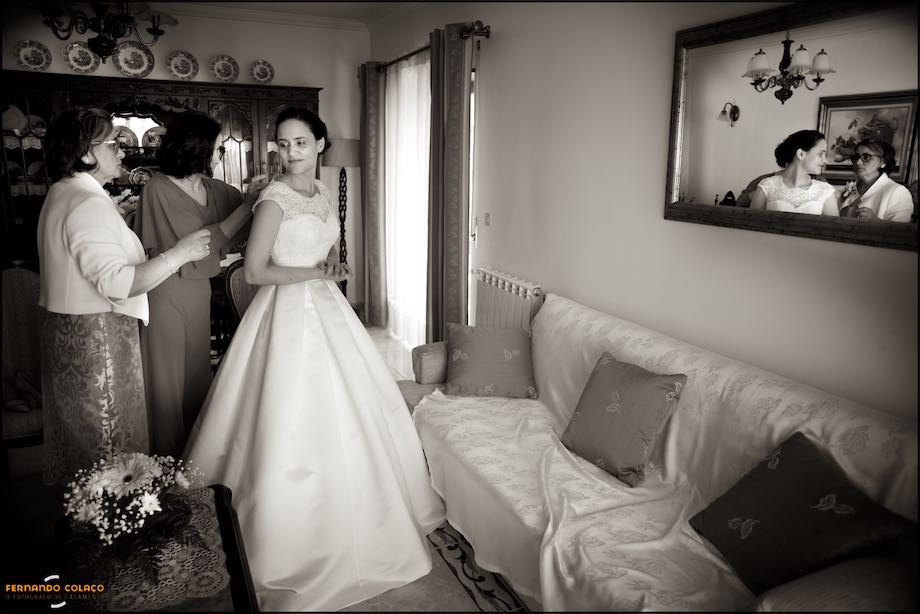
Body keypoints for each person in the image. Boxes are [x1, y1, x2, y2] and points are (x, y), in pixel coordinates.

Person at [184, 107, 445, 611]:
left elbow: (320, 250)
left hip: (327, 309)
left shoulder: (323, 192)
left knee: (355, 407)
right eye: (283, 144)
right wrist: (315, 275)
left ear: (320, 144)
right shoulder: (272, 199)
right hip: (286, 314)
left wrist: (329, 264)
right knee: (287, 416)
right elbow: (255, 272)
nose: (290, 153)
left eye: (300, 143)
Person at [37, 108, 211, 484]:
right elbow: (118, 283)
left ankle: (94, 513)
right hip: (97, 341)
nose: (121, 150)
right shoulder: (87, 204)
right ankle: (120, 516)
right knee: (109, 448)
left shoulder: (62, 192)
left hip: (68, 335)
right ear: (87, 152)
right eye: (112, 143)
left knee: (85, 450)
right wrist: (180, 254)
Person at [133, 111, 268, 458]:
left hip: (198, 292)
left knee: (196, 376)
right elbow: (202, 242)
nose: (221, 154)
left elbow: (249, 216)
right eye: (218, 148)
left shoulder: (214, 188)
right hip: (165, 292)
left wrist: (260, 196)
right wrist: (247, 206)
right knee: (167, 381)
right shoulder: (158, 189)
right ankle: (165, 461)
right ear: (198, 148)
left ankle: (195, 456)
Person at [749, 129, 839, 216]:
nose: (825, 160)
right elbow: (750, 222)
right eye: (820, 154)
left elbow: (834, 226)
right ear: (801, 154)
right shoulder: (767, 185)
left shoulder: (826, 190)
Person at [838, 137, 913, 222]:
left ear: (883, 162)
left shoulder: (898, 192)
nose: (858, 162)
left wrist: (875, 221)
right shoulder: (847, 189)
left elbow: (900, 229)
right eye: (855, 157)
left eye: (866, 157)